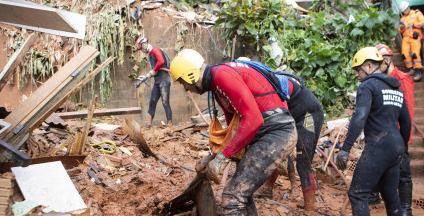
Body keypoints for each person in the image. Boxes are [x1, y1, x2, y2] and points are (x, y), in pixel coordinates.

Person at [169, 49, 297, 215]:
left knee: (232, 195)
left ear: (190, 75)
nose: (186, 88)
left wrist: (222, 156)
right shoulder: (217, 87)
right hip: (265, 134)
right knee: (243, 190)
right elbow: (235, 130)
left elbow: (254, 120)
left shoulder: (222, 76)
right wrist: (212, 157)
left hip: (276, 133)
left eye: (182, 82)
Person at [335, 47, 411, 216]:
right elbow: (406, 122)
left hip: (378, 147)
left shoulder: (367, 86)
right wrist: (403, 148)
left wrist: (346, 149)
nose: (356, 74)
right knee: (391, 197)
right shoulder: (397, 90)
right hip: (396, 147)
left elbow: (360, 117)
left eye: (358, 69)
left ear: (369, 66)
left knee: (357, 194)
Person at [252, 66, 324, 212]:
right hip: (290, 116)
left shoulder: (267, 84)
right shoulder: (259, 84)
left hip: (307, 116)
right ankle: (267, 189)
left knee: (303, 163)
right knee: (273, 151)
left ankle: (309, 210)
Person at [376, 44, 415, 216]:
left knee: (403, 171)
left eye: (377, 64)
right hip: (385, 133)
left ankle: (406, 208)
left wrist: (403, 139)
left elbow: (408, 112)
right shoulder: (382, 80)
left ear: (385, 61)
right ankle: (375, 196)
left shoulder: (402, 79)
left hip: (399, 134)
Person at [135, 37, 172, 128]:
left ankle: (170, 124)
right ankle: (148, 124)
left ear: (144, 45)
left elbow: (161, 61)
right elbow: (155, 69)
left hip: (164, 79)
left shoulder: (155, 50)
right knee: (152, 101)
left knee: (165, 102)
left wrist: (152, 72)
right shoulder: (150, 55)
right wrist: (147, 75)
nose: (142, 51)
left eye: (141, 49)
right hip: (157, 80)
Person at [398, 0, 424, 82]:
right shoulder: (403, 18)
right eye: (403, 11)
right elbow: (400, 31)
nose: (404, 12)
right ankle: (410, 69)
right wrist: (401, 28)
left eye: (405, 10)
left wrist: (414, 24)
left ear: (408, 7)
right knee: (404, 54)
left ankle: (418, 71)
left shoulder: (417, 13)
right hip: (406, 38)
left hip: (415, 37)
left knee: (415, 54)